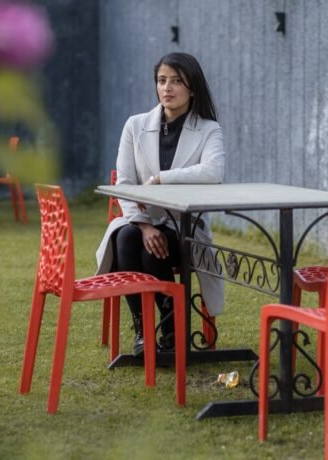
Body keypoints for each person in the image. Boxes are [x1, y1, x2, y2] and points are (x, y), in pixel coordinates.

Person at [95, 52, 225, 357]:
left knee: (153, 248)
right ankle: (144, 329)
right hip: (140, 220)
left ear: (192, 88)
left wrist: (162, 178)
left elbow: (213, 171)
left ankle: (170, 330)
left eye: (177, 81)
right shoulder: (135, 125)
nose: (167, 87)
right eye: (162, 80)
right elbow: (125, 183)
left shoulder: (209, 130)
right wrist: (143, 225)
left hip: (185, 228)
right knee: (128, 237)